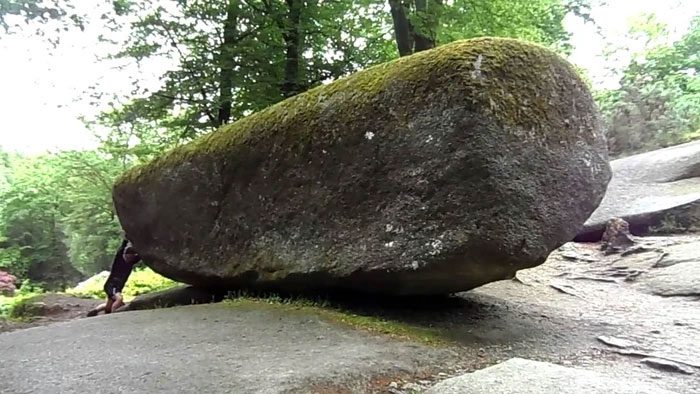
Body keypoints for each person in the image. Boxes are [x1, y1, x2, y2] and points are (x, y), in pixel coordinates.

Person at [87, 239, 142, 317]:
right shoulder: (119, 260)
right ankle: (112, 317)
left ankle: (96, 311)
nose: (128, 258)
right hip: (112, 285)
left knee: (111, 306)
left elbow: (143, 255)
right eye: (127, 255)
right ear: (124, 254)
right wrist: (125, 240)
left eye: (131, 257)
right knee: (119, 299)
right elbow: (122, 248)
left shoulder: (131, 262)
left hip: (115, 286)